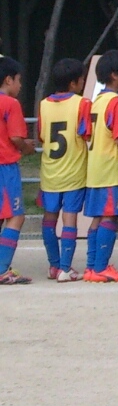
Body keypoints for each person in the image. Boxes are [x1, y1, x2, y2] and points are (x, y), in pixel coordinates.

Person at [83, 49, 118, 283]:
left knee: (98, 218)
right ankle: (101, 266)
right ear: (115, 75)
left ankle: (91, 266)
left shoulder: (96, 101)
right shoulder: (117, 102)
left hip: (95, 167)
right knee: (109, 217)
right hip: (111, 168)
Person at [37, 58, 91, 282]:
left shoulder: (43, 104)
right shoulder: (82, 103)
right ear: (73, 83)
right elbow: (86, 134)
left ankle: (54, 265)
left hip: (50, 171)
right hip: (73, 171)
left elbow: (41, 135)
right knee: (69, 219)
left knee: (49, 219)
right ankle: (66, 269)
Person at [0, 57, 35, 284]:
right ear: (8, 80)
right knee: (16, 217)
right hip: (4, 166)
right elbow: (15, 137)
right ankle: (2, 268)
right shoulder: (10, 104)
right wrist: (26, 147)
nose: (20, 85)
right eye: (19, 80)